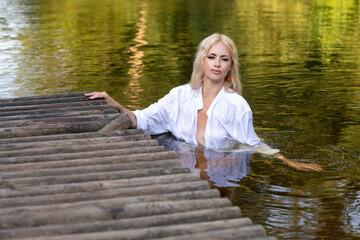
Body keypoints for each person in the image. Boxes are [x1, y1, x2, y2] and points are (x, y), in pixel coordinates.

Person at [85, 33, 322, 171]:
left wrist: (289, 161)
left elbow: (253, 144)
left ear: (230, 66)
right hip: (187, 173)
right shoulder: (179, 96)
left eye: (224, 59)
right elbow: (143, 119)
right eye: (212, 57)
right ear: (203, 61)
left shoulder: (236, 106)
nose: (217, 64)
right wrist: (114, 103)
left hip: (222, 171)